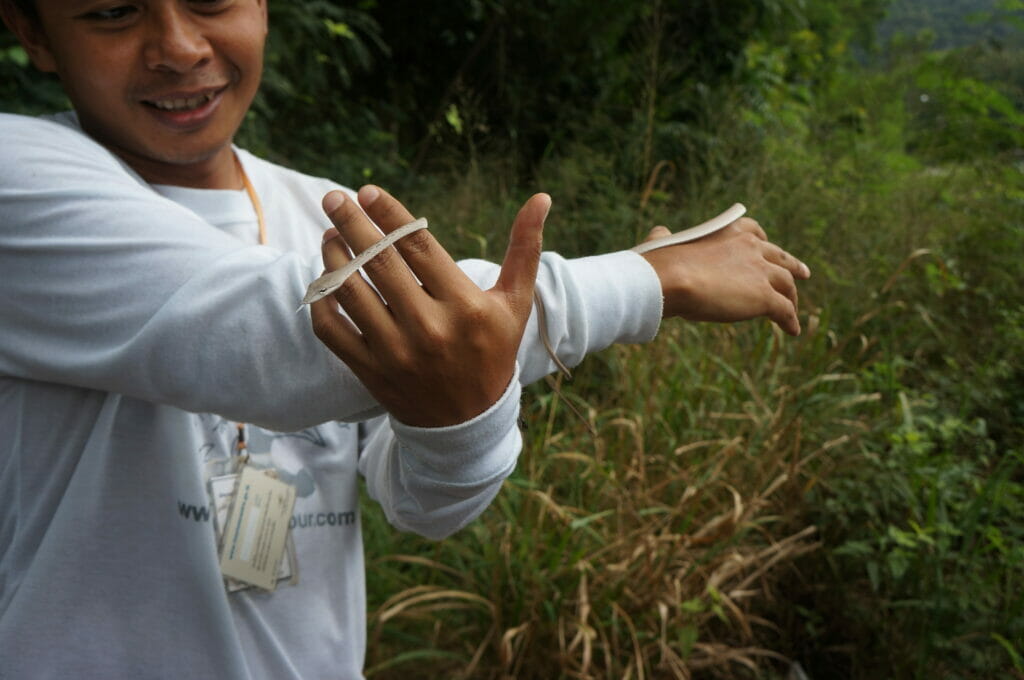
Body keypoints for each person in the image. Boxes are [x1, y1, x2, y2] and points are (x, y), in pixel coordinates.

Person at [0, 1, 810, 678]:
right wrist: (646, 280)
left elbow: (423, 501)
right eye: (112, 11)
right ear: (33, 32)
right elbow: (283, 336)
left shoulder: (322, 210)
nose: (179, 47)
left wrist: (458, 419)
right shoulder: (15, 174)